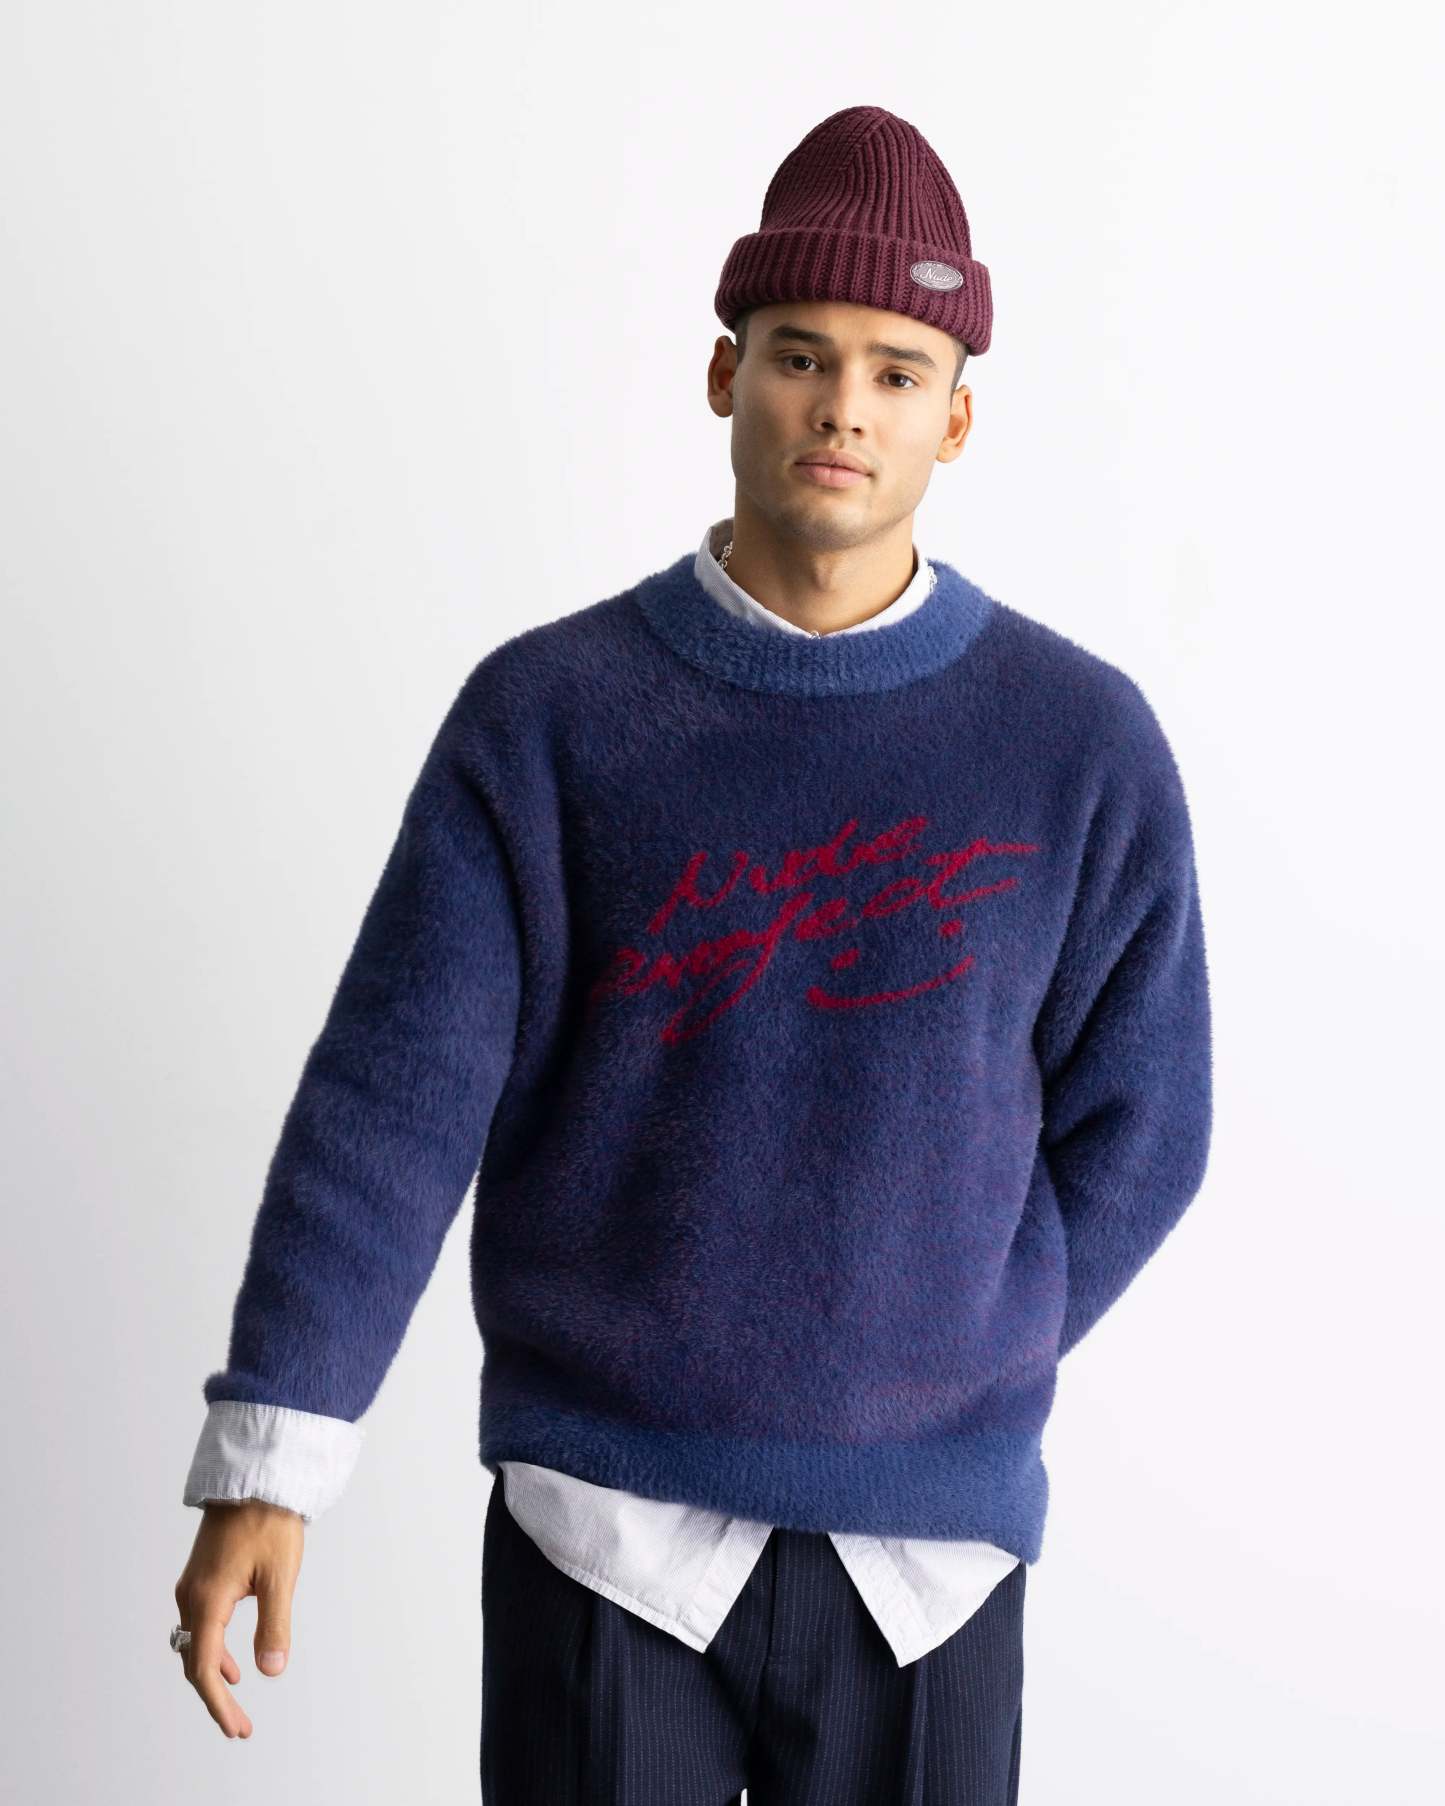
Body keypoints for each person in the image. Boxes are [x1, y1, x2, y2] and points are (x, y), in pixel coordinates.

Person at [171, 104, 1213, 1804]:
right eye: (800, 356)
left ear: (955, 416)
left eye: (895, 370)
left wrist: (957, 1334)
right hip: (603, 1531)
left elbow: (1145, 1126)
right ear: (723, 374)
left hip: (928, 1569)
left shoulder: (1078, 747)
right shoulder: (550, 719)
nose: (843, 406)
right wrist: (269, 1457)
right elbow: (392, 1099)